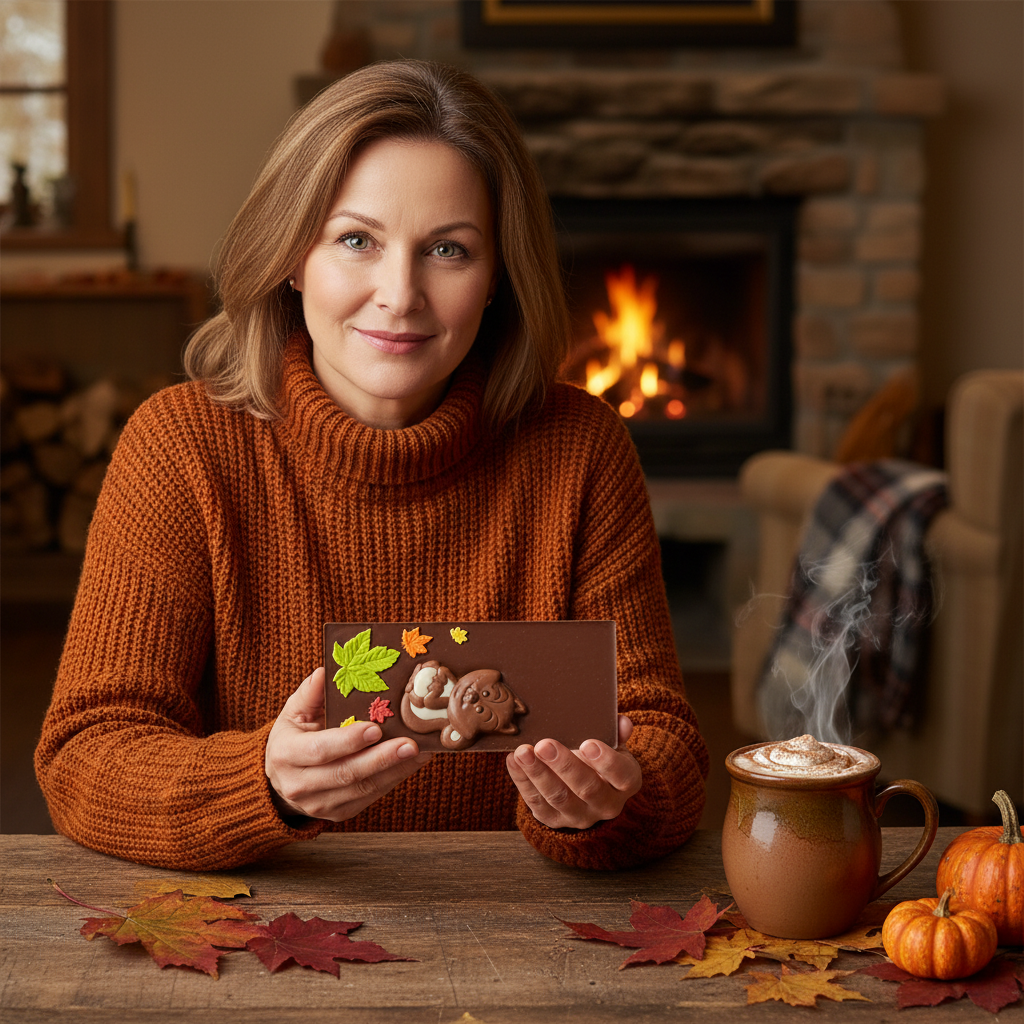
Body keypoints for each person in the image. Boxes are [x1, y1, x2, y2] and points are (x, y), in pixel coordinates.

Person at [34, 60, 709, 871]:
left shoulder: (581, 448)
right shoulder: (179, 446)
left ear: (497, 276)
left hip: (517, 927)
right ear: (293, 255)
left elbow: (661, 738)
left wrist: (610, 804)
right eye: (356, 240)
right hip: (252, 923)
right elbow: (85, 753)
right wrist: (261, 782)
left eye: (449, 250)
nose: (399, 294)